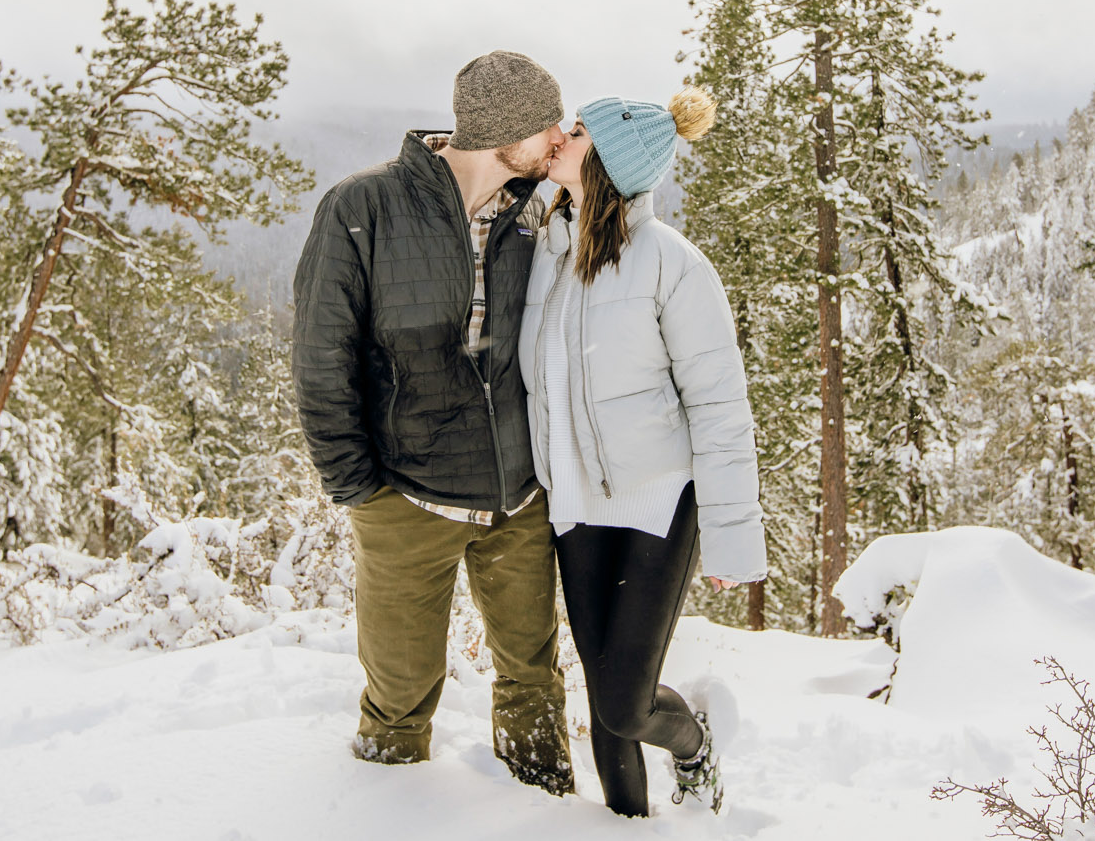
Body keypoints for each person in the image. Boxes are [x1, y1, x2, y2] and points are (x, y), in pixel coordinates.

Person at [290, 50, 574, 794]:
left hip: (518, 497)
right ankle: (388, 811)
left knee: (533, 679)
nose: (557, 137)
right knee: (400, 696)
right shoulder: (364, 209)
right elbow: (322, 357)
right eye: (544, 124)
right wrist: (359, 491)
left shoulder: (534, 212)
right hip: (405, 501)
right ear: (500, 129)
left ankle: (547, 812)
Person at [519, 87, 765, 817]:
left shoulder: (671, 262)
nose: (561, 136)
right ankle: (627, 827)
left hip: (659, 501)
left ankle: (693, 745)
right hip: (576, 505)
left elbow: (720, 406)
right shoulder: (548, 254)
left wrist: (729, 537)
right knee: (604, 704)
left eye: (581, 130)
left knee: (627, 706)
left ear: (613, 159)